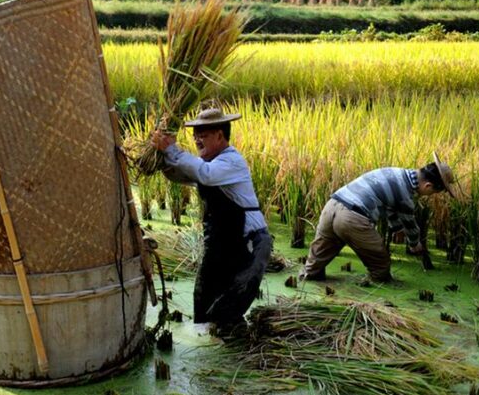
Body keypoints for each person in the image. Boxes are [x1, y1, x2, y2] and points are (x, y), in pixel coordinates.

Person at [151, 107, 271, 327]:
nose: (197, 139)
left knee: (228, 308)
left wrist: (173, 150)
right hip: (221, 243)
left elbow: (204, 174)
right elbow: (183, 173)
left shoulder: (230, 162)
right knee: (204, 299)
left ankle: (232, 350)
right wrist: (160, 158)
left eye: (203, 134)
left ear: (219, 135)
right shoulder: (209, 164)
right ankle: (208, 343)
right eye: (195, 135)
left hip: (249, 243)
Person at [298, 153, 455, 283]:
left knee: (315, 264)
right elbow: (410, 223)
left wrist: (397, 228)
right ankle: (378, 295)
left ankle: (307, 283)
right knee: (380, 263)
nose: (429, 195)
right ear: (427, 186)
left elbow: (389, 206)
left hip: (331, 207)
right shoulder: (406, 194)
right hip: (351, 218)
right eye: (433, 193)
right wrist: (415, 245)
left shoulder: (395, 173)